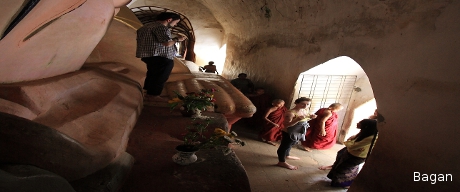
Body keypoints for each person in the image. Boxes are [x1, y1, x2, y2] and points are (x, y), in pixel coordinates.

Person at [136, 12, 187, 102]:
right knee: (161, 76)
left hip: (148, 55)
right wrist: (177, 39)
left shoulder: (145, 27)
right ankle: (153, 95)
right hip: (161, 56)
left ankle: (148, 93)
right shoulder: (161, 27)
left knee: (152, 74)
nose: (176, 24)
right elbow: (166, 43)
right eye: (176, 22)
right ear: (169, 20)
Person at [319, 119, 378, 188]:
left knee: (344, 169)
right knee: (341, 166)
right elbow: (353, 144)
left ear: (366, 126)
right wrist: (351, 142)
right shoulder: (366, 133)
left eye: (360, 123)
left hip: (357, 156)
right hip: (352, 153)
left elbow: (353, 146)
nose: (357, 123)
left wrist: (348, 142)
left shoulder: (371, 138)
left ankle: (345, 184)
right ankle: (339, 181)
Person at [276, 97, 317, 170]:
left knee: (292, 143)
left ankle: (287, 155)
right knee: (284, 146)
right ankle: (281, 162)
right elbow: (286, 125)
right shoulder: (290, 113)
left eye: (308, 104)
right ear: (296, 103)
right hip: (289, 132)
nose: (305, 106)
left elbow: (304, 119)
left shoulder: (305, 110)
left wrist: (311, 117)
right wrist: (297, 119)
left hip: (298, 131)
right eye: (302, 104)